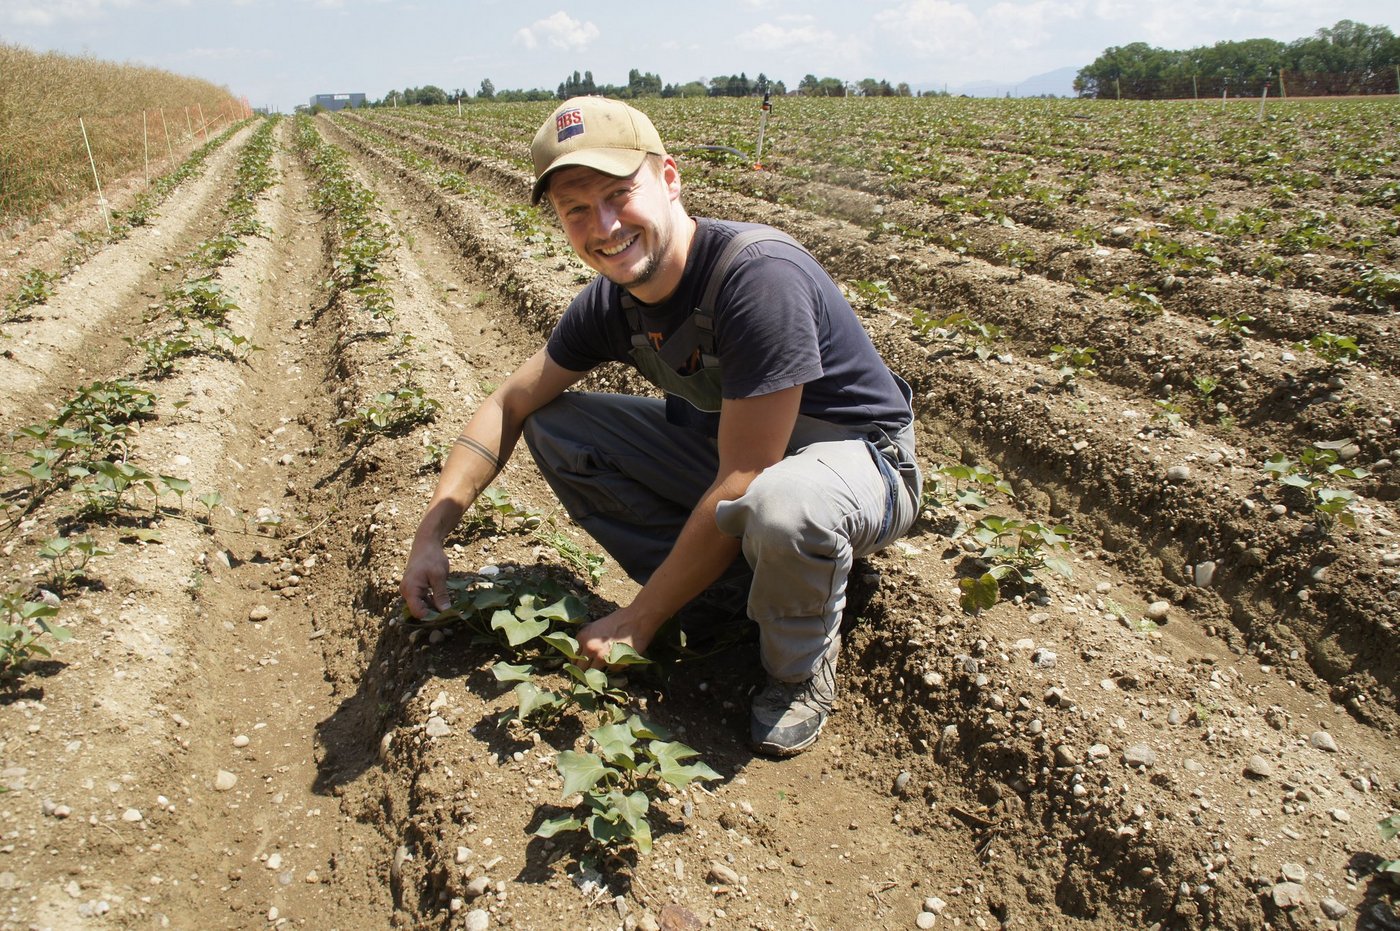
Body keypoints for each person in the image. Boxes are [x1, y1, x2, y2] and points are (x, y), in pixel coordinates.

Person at [400, 96, 921, 756]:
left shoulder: (756, 278)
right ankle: (727, 598)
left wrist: (639, 617)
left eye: (620, 194)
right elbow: (509, 401)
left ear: (669, 178)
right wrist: (431, 534)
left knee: (783, 505)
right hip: (739, 457)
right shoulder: (612, 303)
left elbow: (745, 476)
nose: (605, 224)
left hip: (858, 467)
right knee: (557, 424)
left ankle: (796, 670)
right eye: (577, 210)